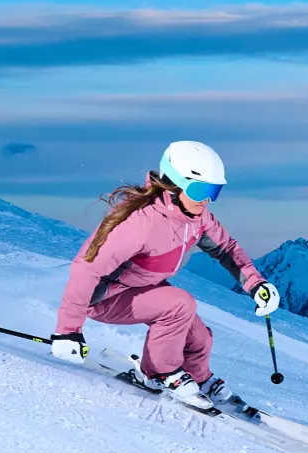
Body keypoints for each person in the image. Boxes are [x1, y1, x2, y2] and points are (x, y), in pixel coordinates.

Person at [50, 140, 281, 410]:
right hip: (104, 297)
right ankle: (159, 373)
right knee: (178, 304)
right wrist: (68, 331)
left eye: (214, 191)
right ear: (175, 184)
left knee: (199, 338)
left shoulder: (198, 218)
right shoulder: (141, 222)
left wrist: (256, 284)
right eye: (200, 190)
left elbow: (226, 250)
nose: (207, 199)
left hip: (142, 287)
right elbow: (86, 267)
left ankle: (198, 377)